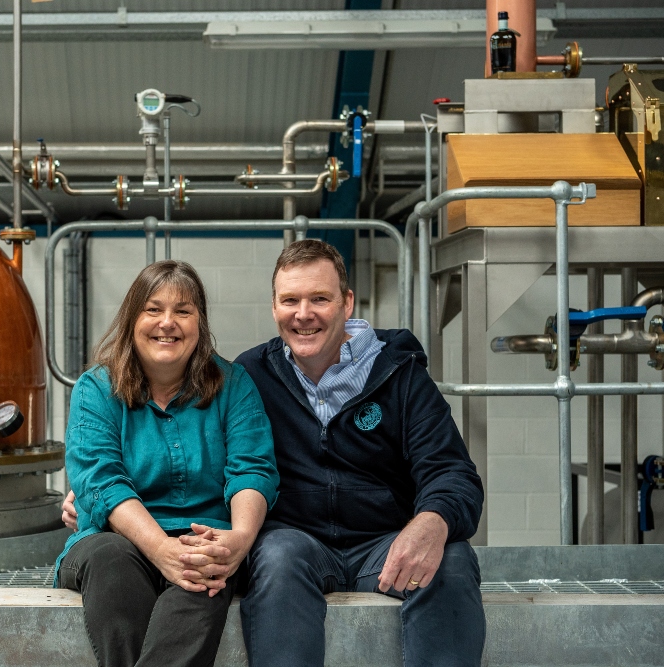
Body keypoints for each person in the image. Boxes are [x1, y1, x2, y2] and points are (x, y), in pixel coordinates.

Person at [63, 241, 486, 666]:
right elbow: (102, 475)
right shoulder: (257, 373)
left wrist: (432, 521)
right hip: (295, 543)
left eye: (320, 298)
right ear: (274, 307)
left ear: (347, 302)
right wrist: (94, 501)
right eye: (291, 300)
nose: (304, 314)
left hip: (385, 544)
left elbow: (453, 474)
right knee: (274, 556)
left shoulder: (398, 374)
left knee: (451, 557)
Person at [55, 259, 279, 667]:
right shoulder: (96, 389)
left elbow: (253, 469)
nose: (167, 322)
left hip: (203, 540)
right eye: (153, 309)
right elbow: (100, 479)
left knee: (204, 570)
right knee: (111, 558)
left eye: (183, 311)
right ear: (131, 319)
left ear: (200, 324)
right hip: (114, 542)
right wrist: (160, 549)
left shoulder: (233, 386)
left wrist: (238, 539)